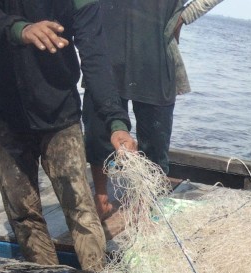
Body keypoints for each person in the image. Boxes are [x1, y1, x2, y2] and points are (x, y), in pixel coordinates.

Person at [0, 0, 137, 272]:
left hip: (60, 112)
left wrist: (116, 121)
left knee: (80, 209)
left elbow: (95, 55)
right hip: (4, 108)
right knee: (24, 213)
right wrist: (19, 29)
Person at [82, 0, 224, 221]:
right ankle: (100, 197)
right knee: (97, 131)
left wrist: (184, 16)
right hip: (105, 52)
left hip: (155, 54)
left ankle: (144, 202)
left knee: (155, 140)